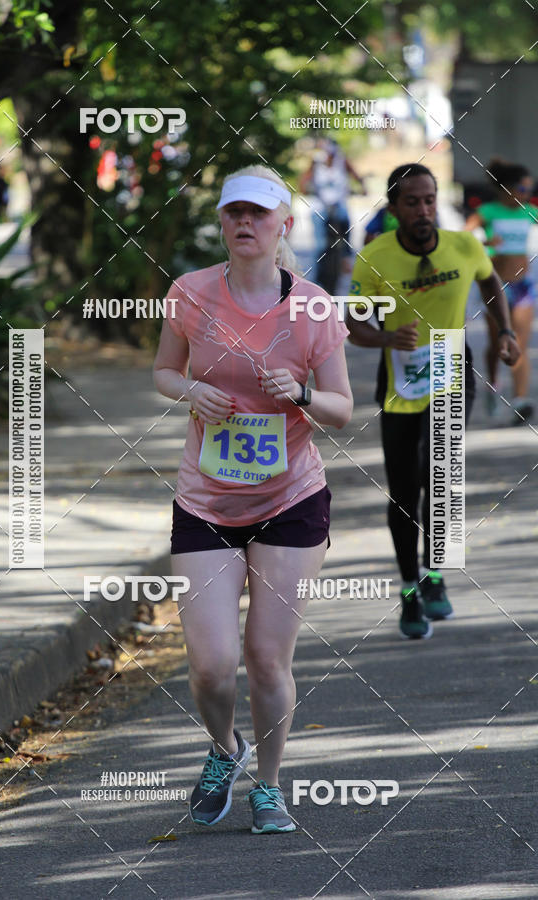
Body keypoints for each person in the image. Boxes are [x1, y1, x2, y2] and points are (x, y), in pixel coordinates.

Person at [153, 164, 352, 833]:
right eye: (233, 213)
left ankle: (268, 784)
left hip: (290, 500)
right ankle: (224, 750)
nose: (245, 223)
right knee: (211, 668)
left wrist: (298, 395)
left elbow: (343, 409)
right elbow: (160, 371)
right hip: (206, 502)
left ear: (283, 227)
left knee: (267, 656)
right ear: (222, 223)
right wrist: (190, 391)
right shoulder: (191, 294)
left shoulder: (314, 309)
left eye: (258, 214)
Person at [346, 164, 520, 640]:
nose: (423, 210)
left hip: (449, 365)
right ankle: (408, 588)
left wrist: (503, 331)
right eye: (412, 202)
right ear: (394, 208)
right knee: (404, 490)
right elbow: (353, 325)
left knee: (439, 477)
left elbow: (488, 281)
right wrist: (385, 339)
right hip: (400, 378)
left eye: (429, 200)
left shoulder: (463, 246)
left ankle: (435, 574)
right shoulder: (375, 257)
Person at [465, 158, 536, 424]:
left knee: (519, 343)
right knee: (498, 345)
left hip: (524, 287)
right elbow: (462, 238)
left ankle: (520, 401)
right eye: (521, 188)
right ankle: (493, 385)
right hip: (495, 286)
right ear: (505, 188)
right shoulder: (488, 212)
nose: (526, 194)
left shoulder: (529, 211)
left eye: (529, 189)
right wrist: (486, 242)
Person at [300, 140, 365, 291]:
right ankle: (317, 276)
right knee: (320, 243)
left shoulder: (342, 161)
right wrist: (305, 189)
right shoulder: (315, 163)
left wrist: (363, 187)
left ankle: (346, 258)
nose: (327, 158)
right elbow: (304, 181)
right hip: (320, 205)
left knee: (346, 221)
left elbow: (356, 176)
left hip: (339, 203)